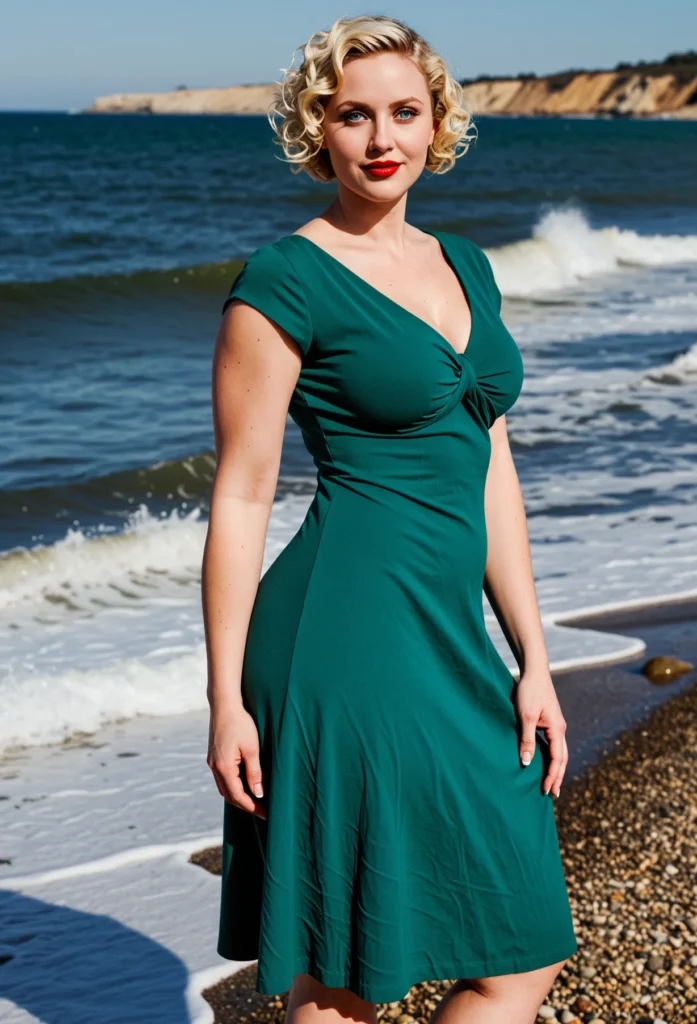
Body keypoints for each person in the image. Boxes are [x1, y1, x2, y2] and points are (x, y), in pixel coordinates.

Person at [201, 13, 577, 1024]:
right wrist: (225, 701)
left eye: (403, 113)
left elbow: (490, 469)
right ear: (316, 130)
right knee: (347, 973)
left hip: (449, 636)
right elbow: (241, 496)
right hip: (342, 641)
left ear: (436, 123)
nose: (380, 139)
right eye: (352, 115)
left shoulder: (467, 265)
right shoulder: (284, 281)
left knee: (523, 947)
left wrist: (534, 659)